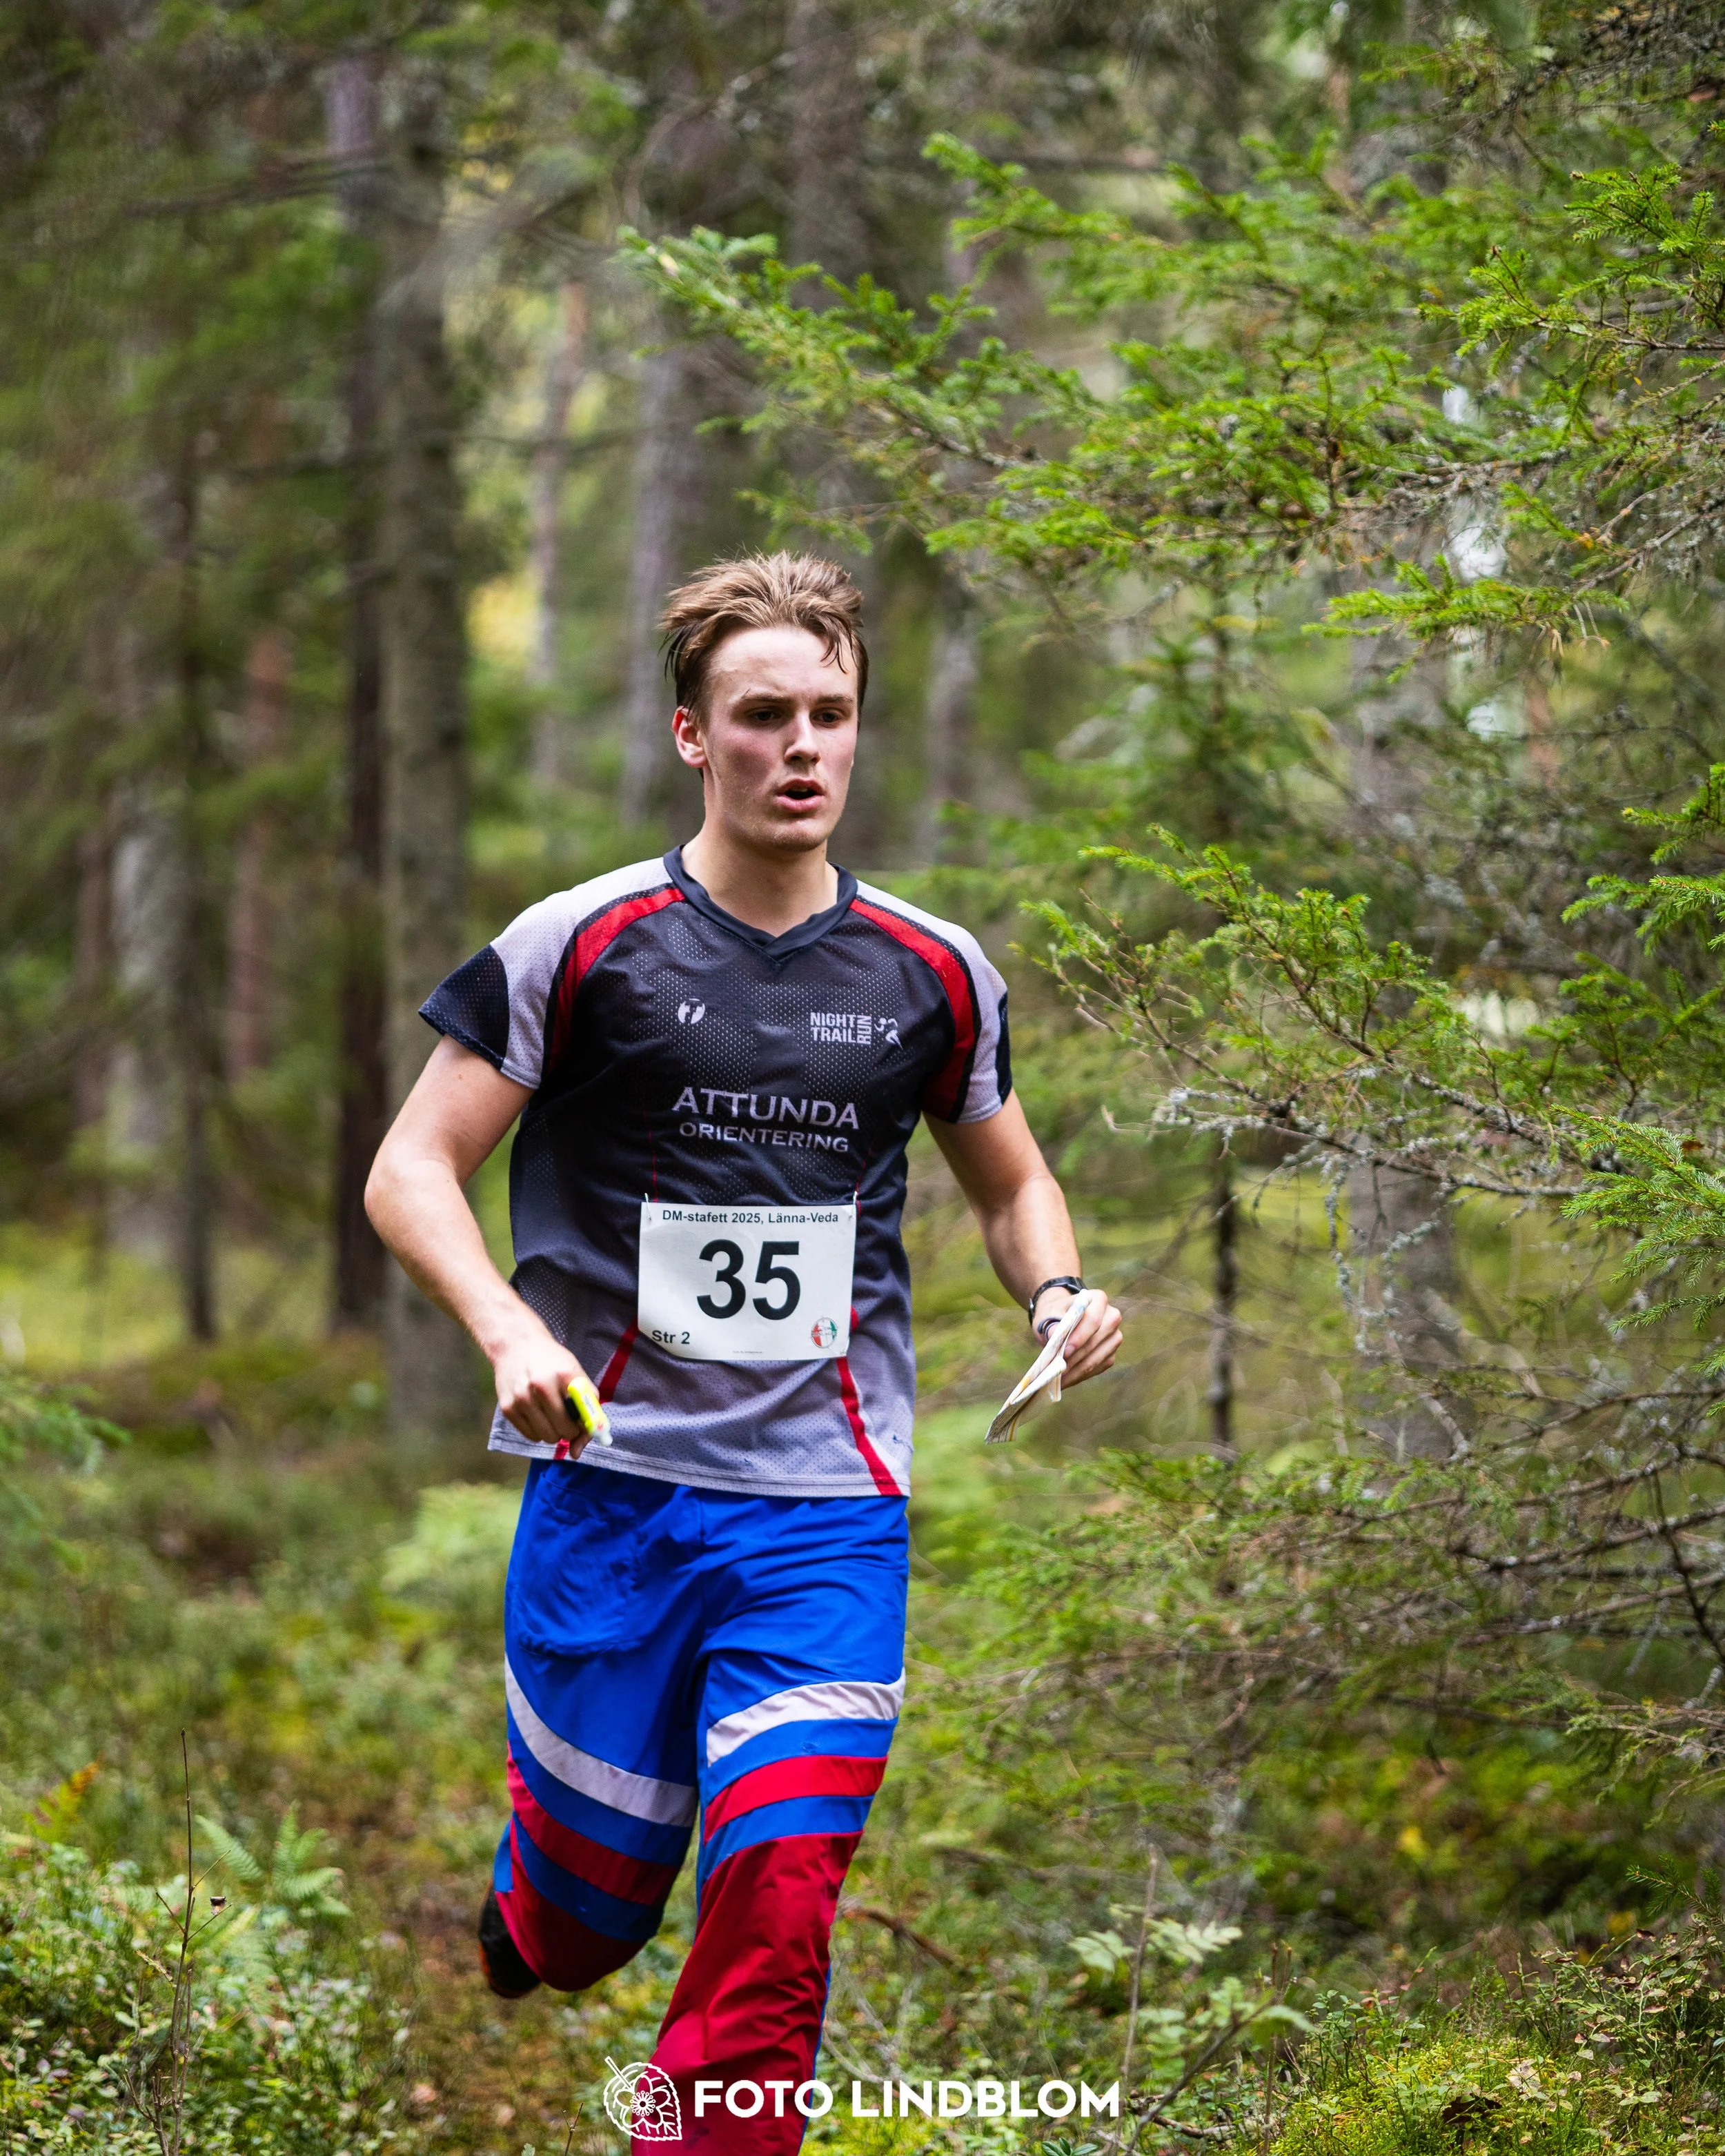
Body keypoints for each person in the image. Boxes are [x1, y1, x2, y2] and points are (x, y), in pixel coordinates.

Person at [366, 553, 1123, 2150]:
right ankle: (543, 1905)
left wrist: (1054, 1295)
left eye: (830, 715)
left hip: (823, 1506)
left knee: (778, 1890)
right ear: (690, 735)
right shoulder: (582, 943)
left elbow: (1013, 1181)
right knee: (585, 1920)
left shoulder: (931, 970)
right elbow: (409, 1168)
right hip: (613, 1488)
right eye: (763, 714)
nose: (802, 746)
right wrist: (505, 1327)